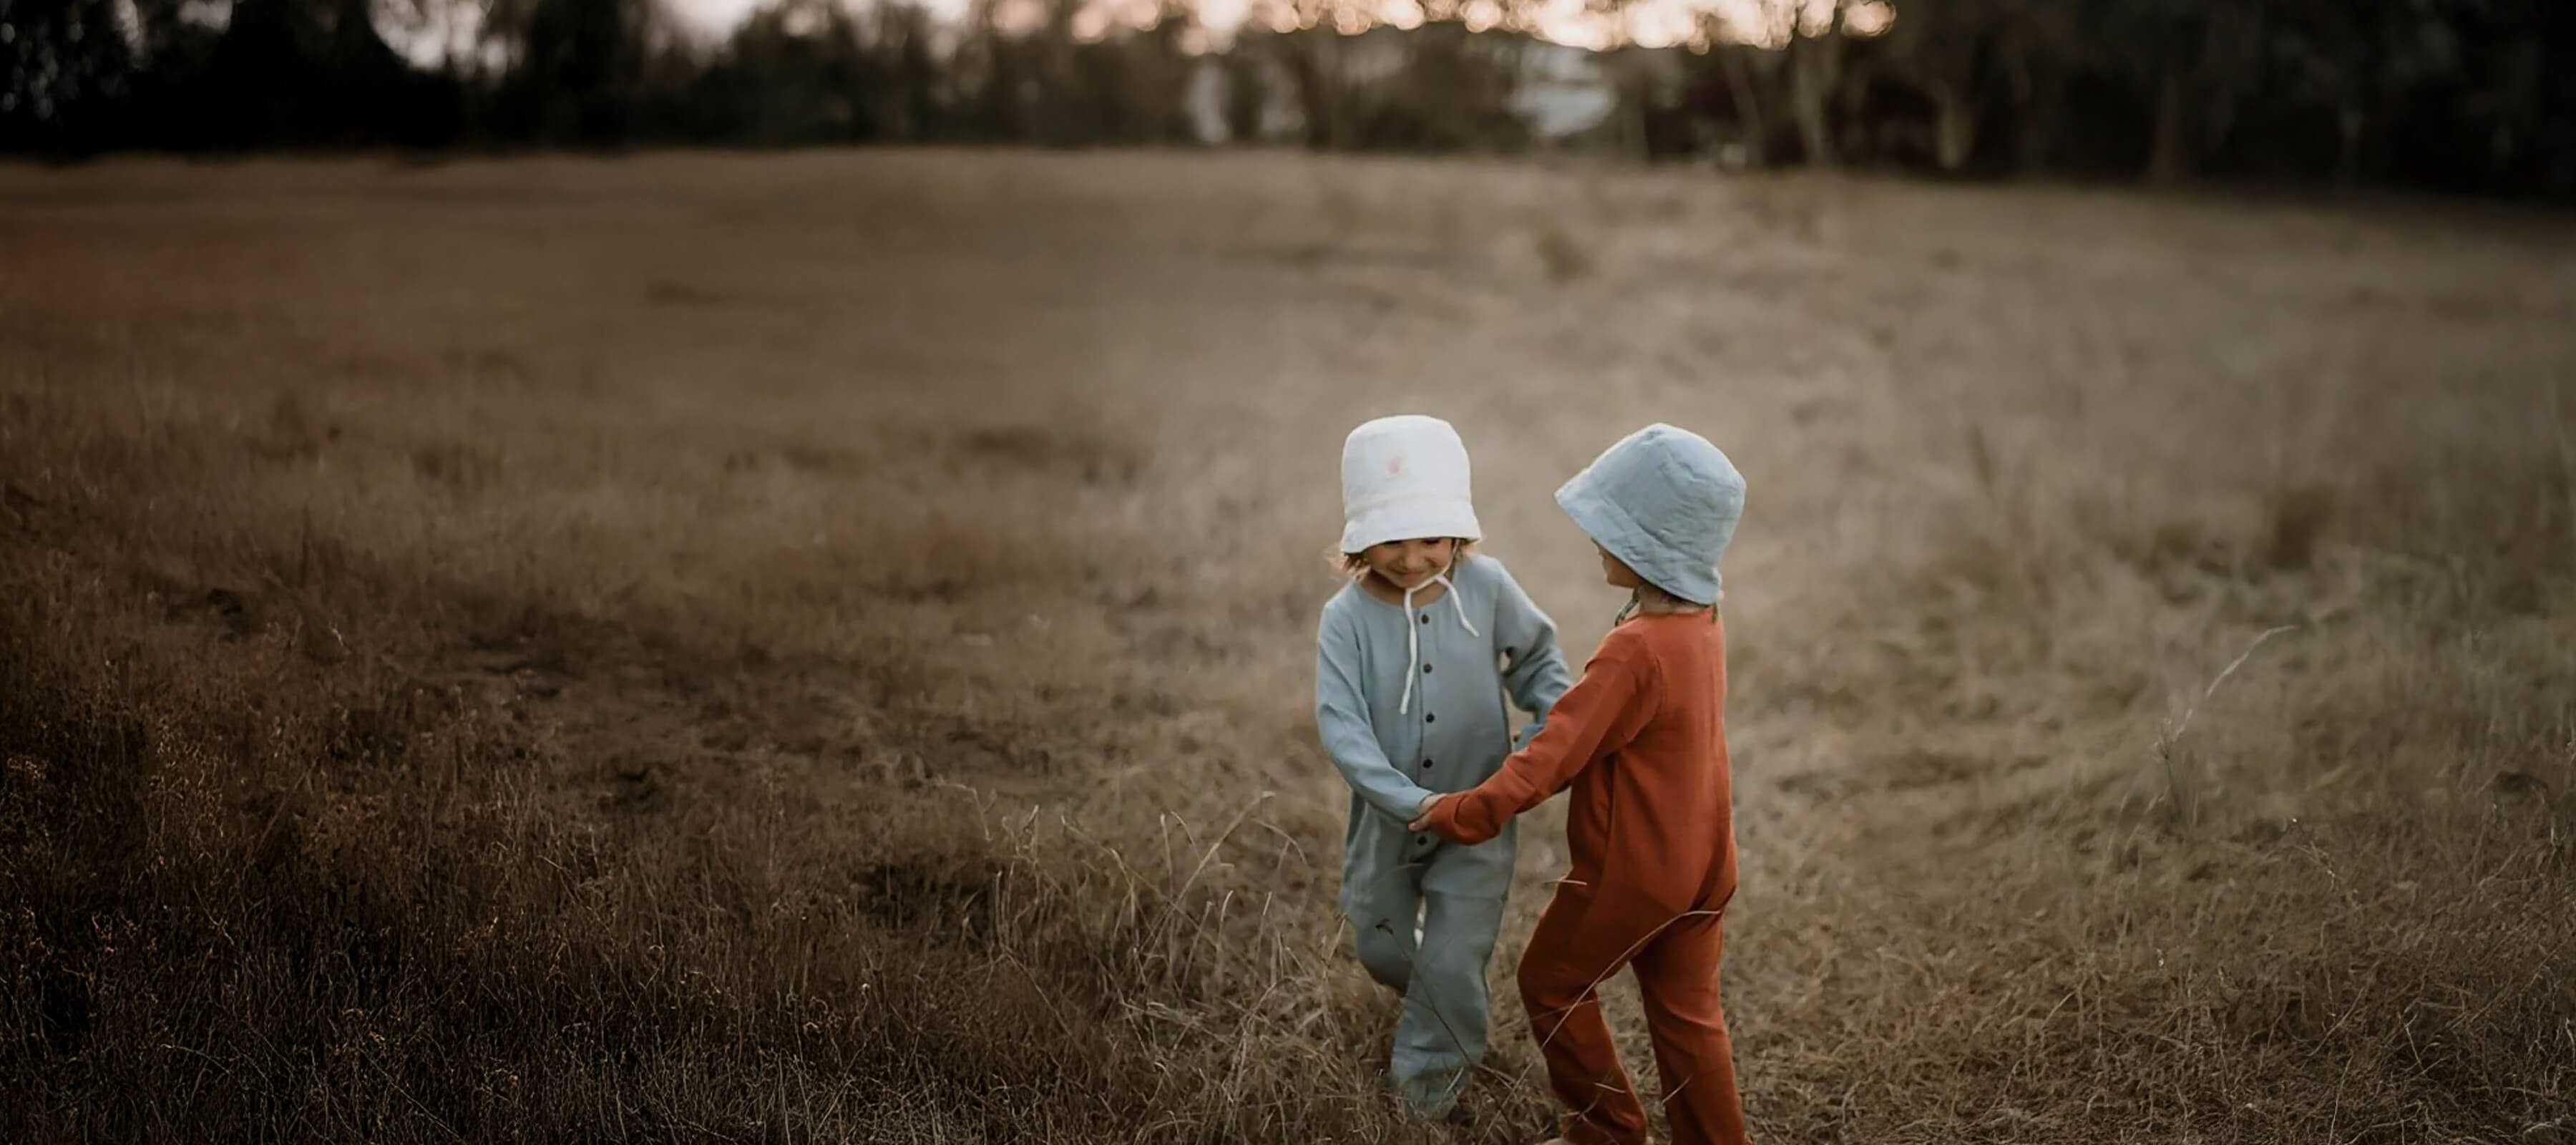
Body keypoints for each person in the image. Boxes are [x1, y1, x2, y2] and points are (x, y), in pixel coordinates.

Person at [1413, 423, 1752, 1145]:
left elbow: (1553, 756)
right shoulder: (1703, 625)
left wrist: (1466, 811)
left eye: (1607, 528)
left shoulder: (1637, 649)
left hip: (1633, 874)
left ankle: (1607, 1132)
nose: (1593, 540)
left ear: (1646, 546)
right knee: (1689, 1015)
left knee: (1551, 983)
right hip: (1707, 864)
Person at [1314, 414, 1574, 1116]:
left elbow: (1542, 664)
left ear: (1457, 531)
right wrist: (1403, 798)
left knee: (1453, 957)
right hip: (1390, 820)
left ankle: (1427, 1094)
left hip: (1480, 816)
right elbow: (1341, 725)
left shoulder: (1486, 588)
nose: (1411, 557)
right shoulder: (1344, 620)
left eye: (1430, 538)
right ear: (1360, 537)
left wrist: (1549, 736)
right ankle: (1442, 993)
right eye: (1391, 539)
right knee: (1380, 944)